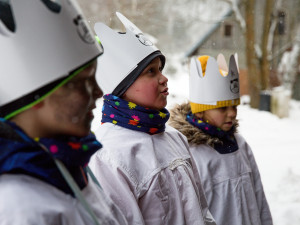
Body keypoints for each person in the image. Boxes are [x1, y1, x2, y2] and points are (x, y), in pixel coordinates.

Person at [0, 1, 127, 224]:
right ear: (36, 95)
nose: (98, 92)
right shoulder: (17, 206)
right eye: (82, 82)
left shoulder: (72, 163)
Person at [89, 12, 216, 225]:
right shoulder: (108, 155)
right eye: (151, 71)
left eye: (161, 69)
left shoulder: (175, 138)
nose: (164, 78)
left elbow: (202, 212)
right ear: (122, 86)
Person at [169, 54, 273, 225]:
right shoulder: (190, 153)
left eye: (234, 106)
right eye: (223, 108)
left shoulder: (241, 145)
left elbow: (258, 195)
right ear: (200, 111)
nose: (232, 113)